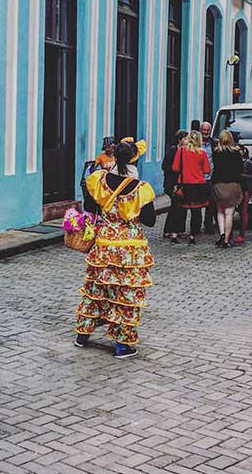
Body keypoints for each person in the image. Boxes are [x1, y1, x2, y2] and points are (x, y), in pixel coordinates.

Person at [75, 139, 156, 359]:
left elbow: (91, 207)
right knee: (126, 296)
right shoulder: (141, 189)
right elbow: (149, 221)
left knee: (96, 290)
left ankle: (83, 334)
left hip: (103, 245)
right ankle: (122, 345)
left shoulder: (99, 180)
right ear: (132, 160)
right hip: (130, 250)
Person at [172, 130, 211, 244]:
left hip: (184, 184)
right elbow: (207, 170)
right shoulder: (202, 153)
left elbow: (175, 168)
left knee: (179, 210)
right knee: (196, 212)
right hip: (198, 185)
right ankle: (193, 235)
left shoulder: (181, 151)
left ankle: (175, 234)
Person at [212, 130, 244, 248]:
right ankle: (226, 240)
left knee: (220, 211)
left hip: (219, 184)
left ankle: (221, 233)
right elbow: (241, 169)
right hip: (233, 184)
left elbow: (215, 167)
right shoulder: (236, 153)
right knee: (229, 213)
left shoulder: (216, 152)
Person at [162, 130, 188, 239]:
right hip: (172, 183)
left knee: (183, 207)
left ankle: (180, 229)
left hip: (182, 182)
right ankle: (169, 230)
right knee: (175, 206)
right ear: (179, 139)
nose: (186, 141)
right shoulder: (172, 151)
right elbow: (165, 166)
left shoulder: (186, 151)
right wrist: (176, 170)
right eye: (185, 138)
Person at [235, 145, 252, 244]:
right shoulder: (233, 162)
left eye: (239, 150)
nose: (238, 152)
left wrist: (240, 176)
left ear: (243, 151)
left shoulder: (248, 163)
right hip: (235, 189)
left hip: (245, 189)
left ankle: (241, 234)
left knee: (243, 212)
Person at [200, 121, 217, 233]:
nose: (205, 132)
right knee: (196, 204)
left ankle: (208, 225)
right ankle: (196, 226)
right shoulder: (196, 144)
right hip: (198, 177)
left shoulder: (214, 143)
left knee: (211, 203)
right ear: (200, 130)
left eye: (207, 130)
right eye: (204, 130)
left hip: (210, 177)